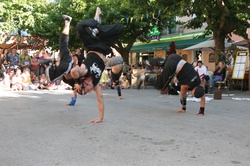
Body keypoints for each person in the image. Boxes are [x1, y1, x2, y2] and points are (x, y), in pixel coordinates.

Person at [45, 9, 123, 122]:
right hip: (104, 47)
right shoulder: (95, 84)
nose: (86, 84)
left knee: (80, 27)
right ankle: (97, 30)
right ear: (90, 90)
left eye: (84, 84)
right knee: (119, 28)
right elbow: (100, 99)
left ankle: (95, 22)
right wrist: (100, 118)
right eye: (86, 88)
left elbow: (74, 71)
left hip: (91, 45)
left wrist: (78, 83)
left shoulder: (84, 72)